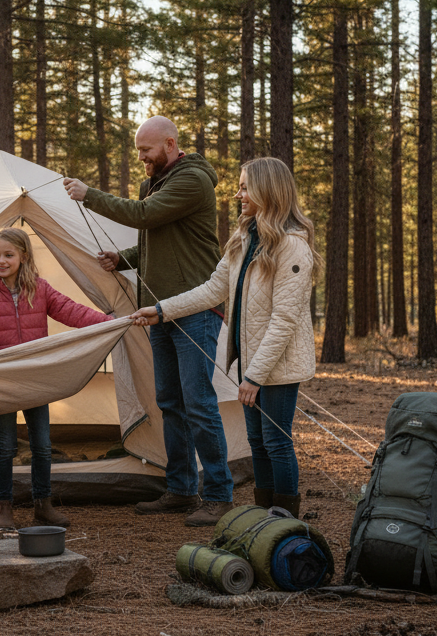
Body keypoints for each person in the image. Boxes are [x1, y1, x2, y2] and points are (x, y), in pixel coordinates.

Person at [62, 115, 232, 527]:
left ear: (171, 144)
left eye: (147, 151)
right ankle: (180, 489)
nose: (142, 159)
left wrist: (89, 195)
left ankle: (220, 495)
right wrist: (125, 259)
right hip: (159, 312)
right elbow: (153, 237)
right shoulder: (154, 181)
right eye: (138, 151)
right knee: (170, 403)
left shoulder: (193, 181)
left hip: (194, 309)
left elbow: (144, 215)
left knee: (198, 403)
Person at [132, 157, 318, 517]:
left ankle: (287, 523)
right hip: (252, 363)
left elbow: (284, 320)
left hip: (276, 364)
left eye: (245, 187)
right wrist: (161, 310)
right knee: (257, 443)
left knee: (276, 443)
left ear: (268, 190)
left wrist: (253, 377)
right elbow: (212, 289)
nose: (238, 194)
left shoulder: (292, 247)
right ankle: (265, 519)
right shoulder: (244, 239)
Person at [0, 227, 111, 530]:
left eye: (8, 255)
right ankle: (3, 506)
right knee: (5, 445)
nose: (1, 261)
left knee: (42, 445)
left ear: (23, 256)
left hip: (35, 379)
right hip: (2, 381)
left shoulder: (40, 289)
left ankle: (42, 504)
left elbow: (72, 312)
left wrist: (109, 322)